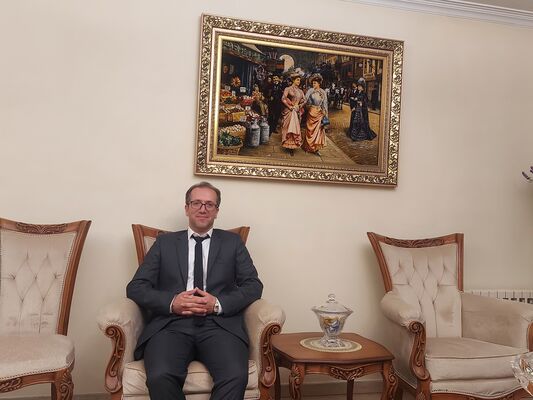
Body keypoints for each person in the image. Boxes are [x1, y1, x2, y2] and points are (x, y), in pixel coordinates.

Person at [126, 181, 263, 400]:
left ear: (217, 211)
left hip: (219, 325)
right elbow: (136, 287)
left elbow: (253, 285)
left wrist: (217, 304)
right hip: (171, 325)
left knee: (235, 375)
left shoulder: (232, 243)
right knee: (160, 375)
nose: (203, 209)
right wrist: (173, 302)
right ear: (187, 208)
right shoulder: (164, 243)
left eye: (209, 204)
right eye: (196, 203)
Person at [302, 73, 328, 155]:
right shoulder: (310, 91)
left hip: (319, 113)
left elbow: (325, 103)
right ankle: (307, 147)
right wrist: (305, 105)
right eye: (313, 83)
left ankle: (316, 149)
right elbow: (305, 100)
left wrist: (325, 113)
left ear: (319, 83)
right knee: (310, 130)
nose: (313, 85)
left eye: (315, 83)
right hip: (311, 112)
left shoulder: (323, 92)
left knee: (318, 131)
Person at [280, 73, 305, 156]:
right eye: (297, 80)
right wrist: (290, 107)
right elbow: (283, 98)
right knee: (288, 127)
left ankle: (292, 147)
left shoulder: (300, 91)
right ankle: (287, 145)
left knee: (295, 128)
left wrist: (299, 106)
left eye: (299, 80)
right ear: (293, 80)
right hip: (289, 111)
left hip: (296, 112)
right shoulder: (288, 89)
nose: (299, 82)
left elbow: (304, 100)